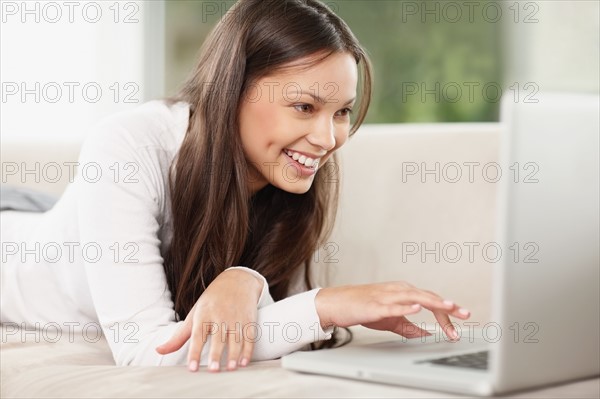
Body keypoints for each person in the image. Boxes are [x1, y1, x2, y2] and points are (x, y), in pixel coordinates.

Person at [0, 0, 470, 372]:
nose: (328, 139)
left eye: (342, 111)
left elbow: (242, 333)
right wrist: (327, 305)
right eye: (304, 106)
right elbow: (150, 352)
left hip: (55, 221)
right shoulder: (126, 144)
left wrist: (246, 280)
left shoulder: (287, 170)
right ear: (233, 89)